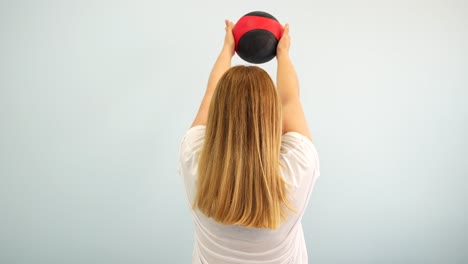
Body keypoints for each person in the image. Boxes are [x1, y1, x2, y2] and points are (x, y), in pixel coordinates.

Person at [178, 19, 321, 264]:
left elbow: (211, 94)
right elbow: (290, 100)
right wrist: (283, 54)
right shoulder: (297, 167)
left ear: (217, 113)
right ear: (273, 115)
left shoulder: (193, 158)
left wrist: (227, 49)